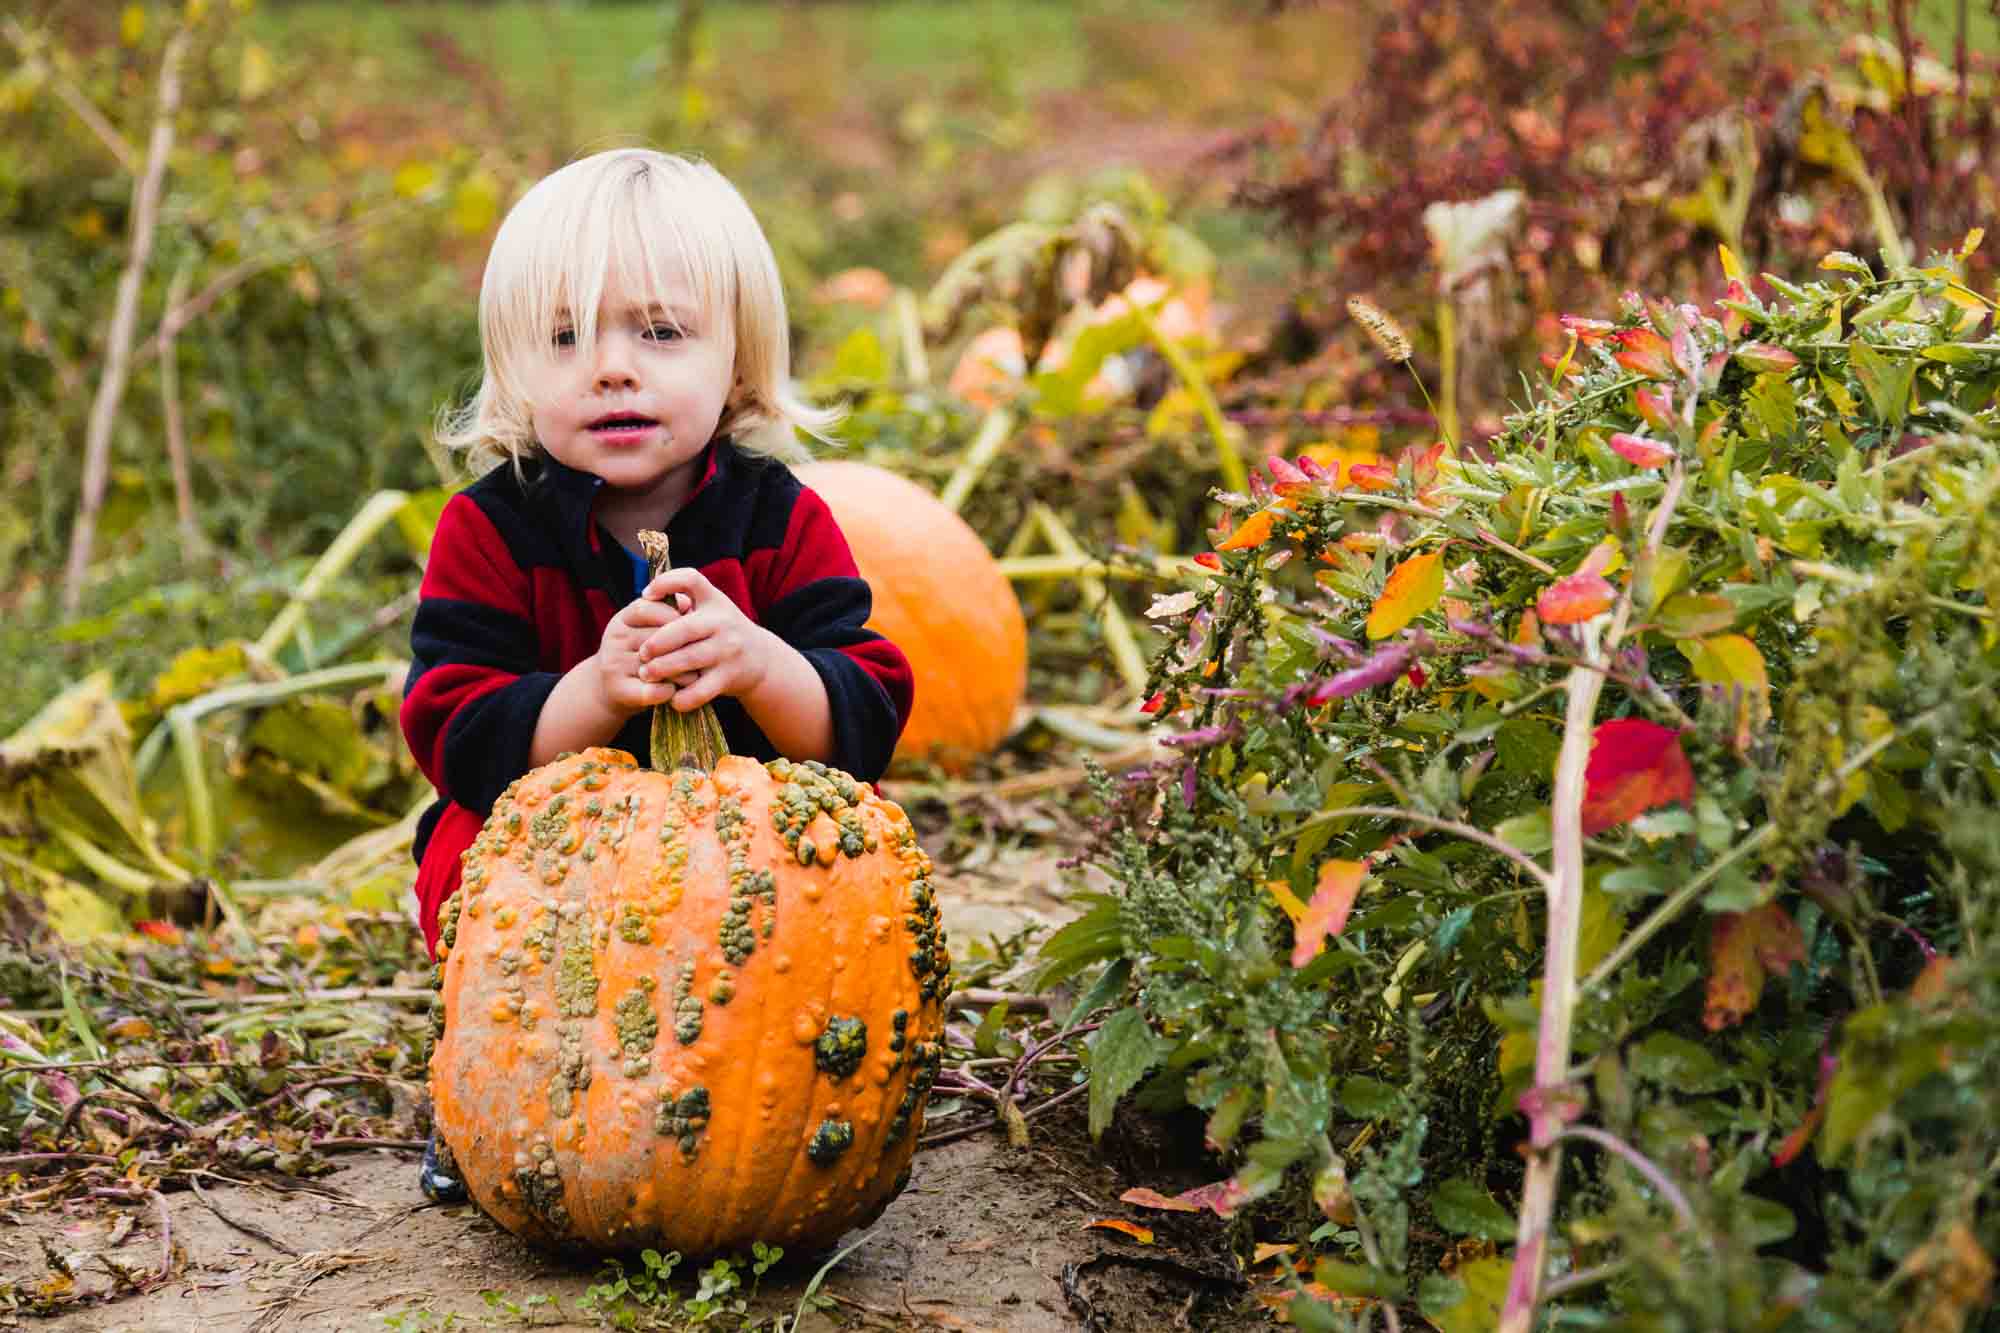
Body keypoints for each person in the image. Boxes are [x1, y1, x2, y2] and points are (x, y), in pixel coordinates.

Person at [398, 148, 914, 1203]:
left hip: (751, 900)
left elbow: (867, 712)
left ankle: (806, 1100)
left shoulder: (781, 519)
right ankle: (496, 1095)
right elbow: (449, 726)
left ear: (735, 364)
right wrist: (591, 692)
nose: (611, 367)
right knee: (459, 848)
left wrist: (761, 664)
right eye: (562, 337)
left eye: (660, 331)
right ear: (511, 371)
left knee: (855, 846)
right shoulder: (488, 530)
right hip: (554, 877)